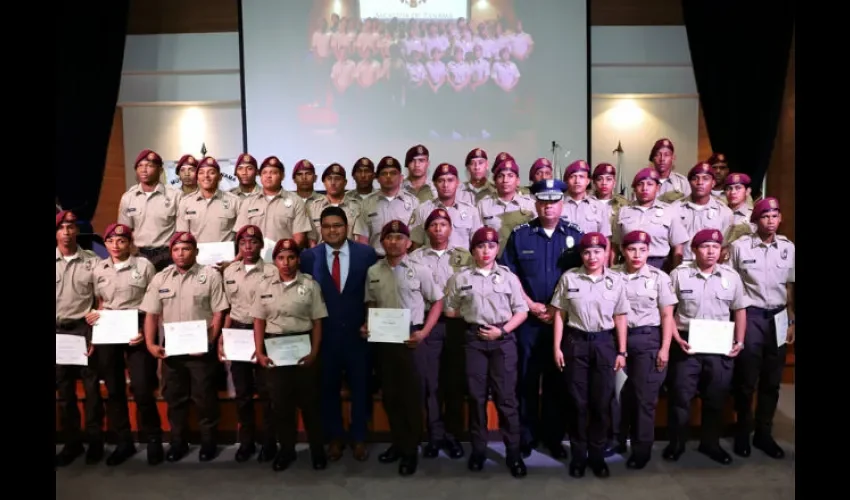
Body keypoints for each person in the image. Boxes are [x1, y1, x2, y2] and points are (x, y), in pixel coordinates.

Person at [499, 179, 583, 459]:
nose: (549, 207)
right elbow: (510, 275)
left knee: (557, 382)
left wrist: (557, 311)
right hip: (529, 322)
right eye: (544, 202)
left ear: (562, 204)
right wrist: (531, 305)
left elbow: (584, 277)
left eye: (554, 202)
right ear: (535, 204)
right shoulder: (520, 235)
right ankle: (526, 436)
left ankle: (553, 437)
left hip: (563, 323)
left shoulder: (575, 235)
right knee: (525, 379)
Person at [444, 226, 529, 478]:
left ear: (497, 249)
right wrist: (474, 317)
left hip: (503, 341)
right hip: (474, 341)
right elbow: (450, 310)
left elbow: (521, 311)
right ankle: (479, 451)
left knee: (506, 399)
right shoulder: (461, 278)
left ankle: (513, 453)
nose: (486, 251)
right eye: (480, 246)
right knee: (477, 398)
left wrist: (501, 331)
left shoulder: (509, 277)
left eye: (491, 246)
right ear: (473, 250)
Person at [141, 231, 229, 463]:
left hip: (201, 347)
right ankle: (178, 443)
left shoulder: (210, 276)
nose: (181, 254)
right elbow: (151, 313)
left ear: (196, 252)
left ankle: (209, 442)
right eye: (177, 249)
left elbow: (219, 311)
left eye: (186, 249)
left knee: (204, 398)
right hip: (172, 348)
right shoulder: (161, 278)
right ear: (171, 253)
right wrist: (150, 343)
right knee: (175, 398)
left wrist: (210, 341)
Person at [364, 220, 443, 476]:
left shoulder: (419, 270)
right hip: (384, 340)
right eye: (389, 237)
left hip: (411, 339)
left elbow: (438, 301)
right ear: (382, 242)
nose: (394, 241)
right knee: (391, 396)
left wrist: (424, 333)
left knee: (411, 398)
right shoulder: (373, 271)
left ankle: (411, 450)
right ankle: (398, 443)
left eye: (400, 237)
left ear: (408, 243)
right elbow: (371, 303)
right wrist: (367, 324)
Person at [300, 206, 378, 462]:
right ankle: (335, 437)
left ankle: (358, 437)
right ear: (320, 229)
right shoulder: (309, 257)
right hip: (325, 337)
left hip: (359, 336)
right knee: (328, 389)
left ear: (347, 227)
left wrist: (371, 322)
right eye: (327, 226)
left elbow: (373, 293)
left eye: (337, 225)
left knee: (361, 388)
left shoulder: (366, 254)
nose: (332, 230)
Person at [664, 229, 749, 465]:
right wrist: (674, 338)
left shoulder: (731, 277)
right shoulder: (679, 275)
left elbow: (740, 310)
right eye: (705, 246)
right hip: (686, 342)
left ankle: (711, 444)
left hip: (719, 344)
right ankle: (676, 443)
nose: (711, 251)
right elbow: (668, 311)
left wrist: (740, 341)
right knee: (681, 397)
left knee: (716, 397)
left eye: (715, 247)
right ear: (694, 250)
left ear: (721, 251)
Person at [551, 232, 629, 479]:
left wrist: (622, 350)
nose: (592, 256)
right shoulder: (569, 278)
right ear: (581, 255)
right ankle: (578, 455)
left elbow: (620, 317)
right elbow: (560, 315)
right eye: (586, 252)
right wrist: (556, 347)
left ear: (606, 253)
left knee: (601, 402)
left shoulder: (616, 281)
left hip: (604, 344)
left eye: (597, 251)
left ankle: (596, 456)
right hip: (576, 343)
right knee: (577, 403)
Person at [85, 223, 161, 466]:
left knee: (141, 388)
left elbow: (153, 302)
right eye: (110, 241)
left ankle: (153, 439)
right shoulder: (99, 268)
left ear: (130, 243)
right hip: (109, 328)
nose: (116, 246)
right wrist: (93, 314)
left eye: (121, 241)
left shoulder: (144, 266)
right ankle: (123, 441)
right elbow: (98, 300)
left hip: (136, 327)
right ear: (105, 244)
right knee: (115, 388)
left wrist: (144, 330)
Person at [252, 239, 329, 471]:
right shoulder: (264, 286)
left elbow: (317, 322)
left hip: (303, 346)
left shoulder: (310, 285)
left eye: (291, 257)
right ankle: (286, 451)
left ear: (298, 259)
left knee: (311, 405)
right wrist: (259, 351)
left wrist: (315, 352)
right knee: (281, 406)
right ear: (275, 260)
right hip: (276, 349)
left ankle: (317, 451)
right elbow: (259, 321)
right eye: (281, 258)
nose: (286, 263)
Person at [729, 197, 795, 459]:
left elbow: (789, 287)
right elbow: (732, 286)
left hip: (778, 316)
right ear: (755, 220)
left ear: (780, 219)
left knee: (772, 379)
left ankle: (764, 434)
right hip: (752, 315)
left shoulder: (788, 248)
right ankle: (742, 433)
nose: (771, 221)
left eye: (775, 216)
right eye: (765, 216)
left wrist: (791, 320)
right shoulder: (739, 247)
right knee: (746, 380)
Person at [408, 208, 472, 459]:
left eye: (443, 224)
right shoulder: (415, 257)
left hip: (457, 325)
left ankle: (453, 435)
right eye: (433, 225)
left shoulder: (464, 256)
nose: (438, 229)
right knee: (431, 383)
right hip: (428, 324)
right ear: (426, 230)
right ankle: (435, 435)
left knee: (454, 383)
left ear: (450, 228)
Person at [611, 230, 677, 469]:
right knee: (617, 396)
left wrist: (665, 348)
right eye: (631, 249)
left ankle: (642, 448)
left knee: (644, 398)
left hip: (647, 339)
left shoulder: (659, 278)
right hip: (616, 340)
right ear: (622, 251)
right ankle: (617, 439)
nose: (637, 255)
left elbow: (667, 315)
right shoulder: (611, 275)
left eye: (642, 249)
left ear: (649, 251)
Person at [220, 225, 276, 462]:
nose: (248, 247)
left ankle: (269, 442)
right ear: (238, 246)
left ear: (261, 245)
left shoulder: (273, 271)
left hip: (266, 333)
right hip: (239, 332)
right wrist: (223, 335)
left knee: (266, 391)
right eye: (243, 243)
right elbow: (228, 307)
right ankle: (247, 441)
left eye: (253, 243)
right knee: (242, 392)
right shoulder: (230, 271)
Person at [55, 210, 103, 467]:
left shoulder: (93, 261)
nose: (67, 232)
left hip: (84, 331)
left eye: (71, 227)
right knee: (64, 392)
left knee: (92, 390)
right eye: (62, 227)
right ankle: (72, 443)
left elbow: (102, 297)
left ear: (77, 230)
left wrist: (98, 322)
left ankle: (95, 442)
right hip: (58, 332)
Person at [117, 149, 180, 271]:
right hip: (139, 255)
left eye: (149, 166)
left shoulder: (175, 196)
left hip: (167, 255)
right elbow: (124, 231)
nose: (143, 170)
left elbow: (182, 230)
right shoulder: (128, 197)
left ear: (160, 170)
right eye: (140, 166)